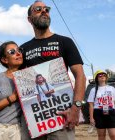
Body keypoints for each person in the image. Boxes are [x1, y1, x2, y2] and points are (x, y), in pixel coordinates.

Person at [19, 0, 86, 139]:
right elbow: (17, 78)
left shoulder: (65, 42)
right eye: (38, 9)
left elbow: (80, 76)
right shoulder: (24, 48)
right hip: (35, 118)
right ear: (29, 19)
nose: (44, 11)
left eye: (46, 9)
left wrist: (76, 108)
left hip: (62, 114)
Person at [87, 70, 115, 140]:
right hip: (98, 113)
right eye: (100, 75)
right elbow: (91, 105)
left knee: (113, 135)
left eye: (104, 75)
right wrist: (91, 118)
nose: (102, 76)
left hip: (111, 112)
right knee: (101, 136)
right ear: (97, 78)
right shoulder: (93, 90)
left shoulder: (112, 89)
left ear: (106, 77)